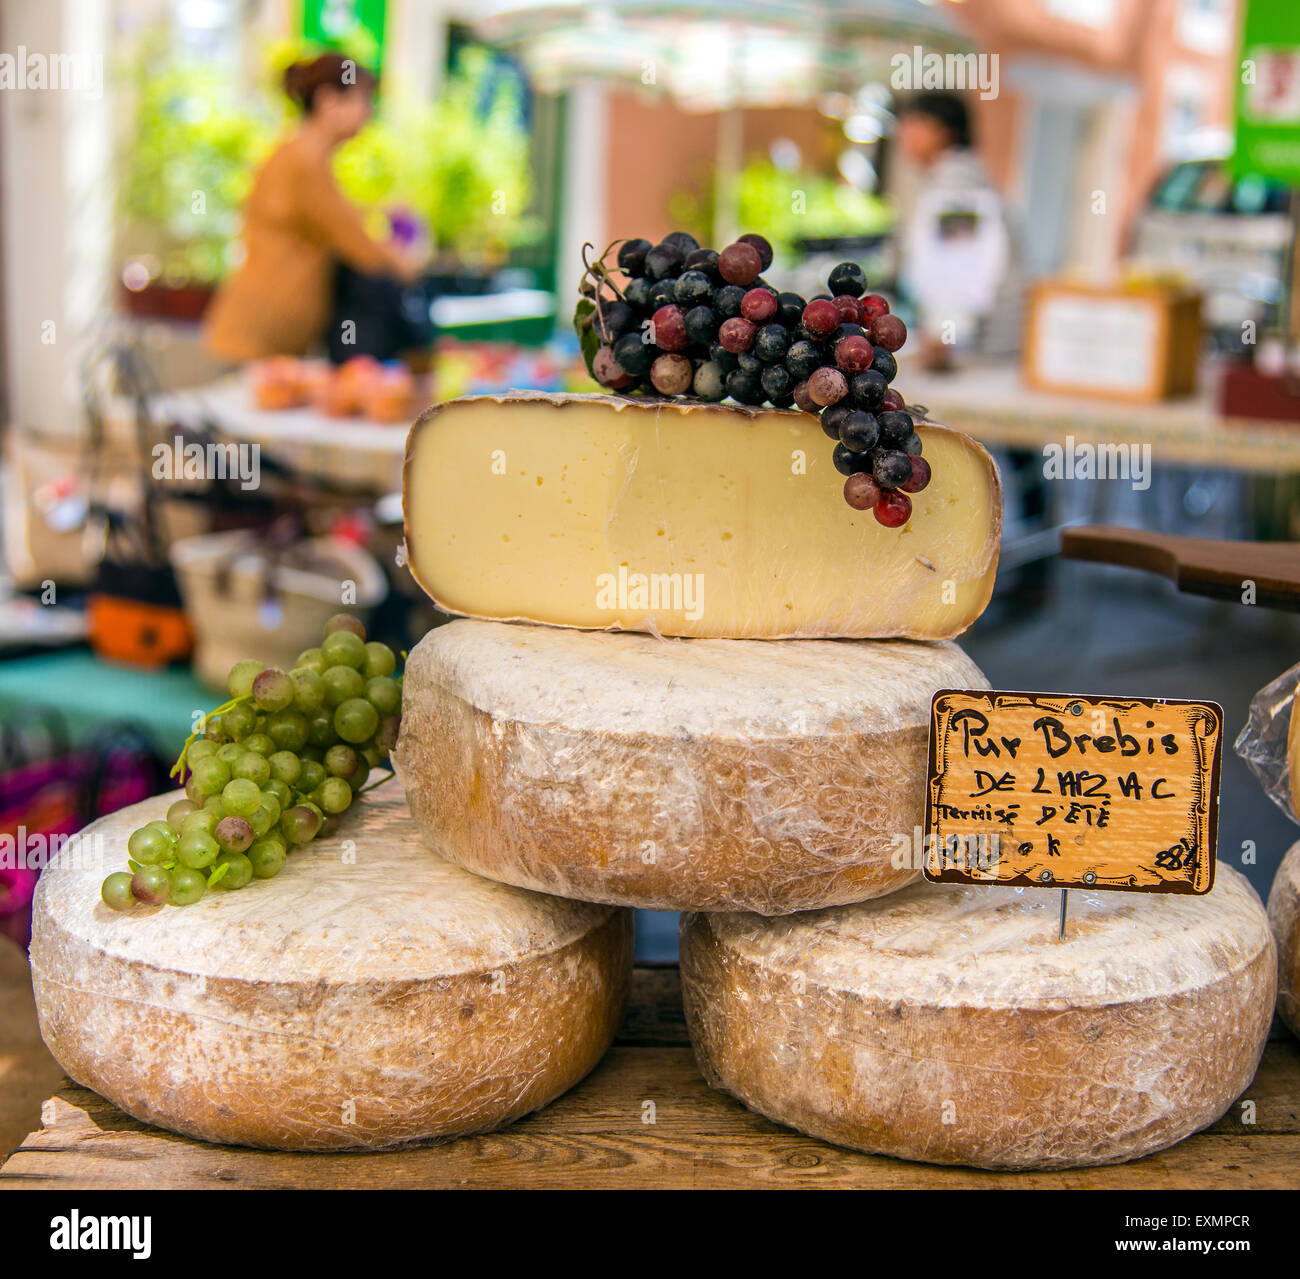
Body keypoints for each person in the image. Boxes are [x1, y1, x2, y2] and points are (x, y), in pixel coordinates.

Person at [203, 54, 425, 363]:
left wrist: (378, 210)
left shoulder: (300, 154)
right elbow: (360, 246)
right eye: (363, 100)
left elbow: (326, 218)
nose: (369, 112)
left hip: (268, 337)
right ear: (328, 101)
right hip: (258, 337)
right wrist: (407, 265)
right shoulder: (304, 160)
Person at [896, 91, 1019, 371]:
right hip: (974, 340)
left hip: (978, 345)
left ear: (944, 132)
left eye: (916, 124)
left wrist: (944, 333)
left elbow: (959, 261)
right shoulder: (956, 174)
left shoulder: (956, 180)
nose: (905, 134)